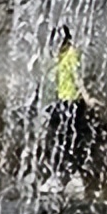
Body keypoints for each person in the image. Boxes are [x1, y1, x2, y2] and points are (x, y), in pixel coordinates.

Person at [40, 26, 99, 196]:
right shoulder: (61, 55)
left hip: (71, 102)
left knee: (61, 139)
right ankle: (68, 176)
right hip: (62, 101)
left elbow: (78, 77)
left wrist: (87, 98)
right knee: (58, 139)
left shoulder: (72, 54)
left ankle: (64, 177)